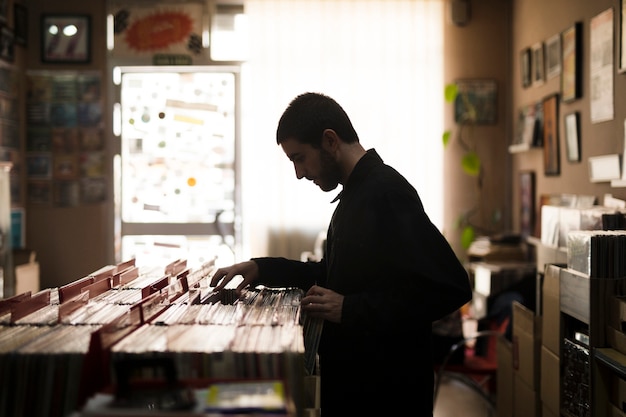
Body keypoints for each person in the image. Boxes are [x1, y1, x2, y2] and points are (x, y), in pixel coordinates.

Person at [210, 92, 472, 416]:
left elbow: (449, 287)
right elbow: (334, 275)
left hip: (386, 394)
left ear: (330, 141)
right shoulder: (355, 193)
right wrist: (261, 269)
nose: (299, 173)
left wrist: (351, 308)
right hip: (358, 386)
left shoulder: (386, 191)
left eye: (299, 158)